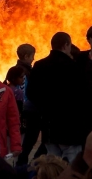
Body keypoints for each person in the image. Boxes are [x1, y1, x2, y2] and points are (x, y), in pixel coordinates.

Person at [26, 32, 83, 163]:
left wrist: (44, 107)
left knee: (53, 164)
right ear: (66, 45)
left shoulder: (39, 65)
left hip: (48, 126)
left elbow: (31, 93)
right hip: (70, 127)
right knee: (72, 164)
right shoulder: (73, 67)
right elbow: (80, 95)